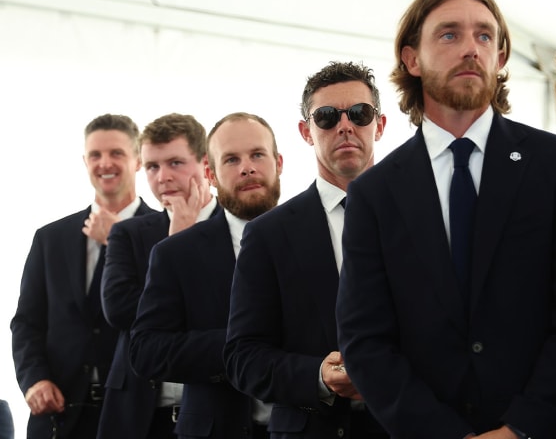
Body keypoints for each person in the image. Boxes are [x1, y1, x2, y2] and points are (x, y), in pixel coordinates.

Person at [335, 0, 556, 438]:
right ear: (412, 59)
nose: (471, 48)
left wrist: (519, 429)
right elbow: (366, 341)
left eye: (485, 36)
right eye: (450, 34)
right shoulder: (374, 193)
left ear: (501, 57)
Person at [224, 61, 388, 438]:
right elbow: (242, 357)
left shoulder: (424, 213)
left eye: (359, 114)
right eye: (327, 117)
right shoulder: (269, 233)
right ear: (306, 131)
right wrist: (318, 376)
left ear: (379, 125)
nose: (345, 126)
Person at [130, 112, 283, 439]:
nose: (247, 167)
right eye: (231, 159)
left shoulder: (321, 236)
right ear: (210, 174)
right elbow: (146, 351)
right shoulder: (175, 252)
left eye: (257, 154)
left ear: (279, 162)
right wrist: (242, 345)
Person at [11, 114, 154, 439]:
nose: (105, 163)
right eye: (95, 155)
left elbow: (162, 313)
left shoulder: (168, 234)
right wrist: (34, 379)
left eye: (117, 153)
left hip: (136, 416)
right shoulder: (50, 238)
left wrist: (117, 238)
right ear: (84, 161)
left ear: (138, 160)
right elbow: (27, 323)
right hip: (59, 417)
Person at [99, 113, 219, 439]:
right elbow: (119, 309)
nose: (163, 176)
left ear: (206, 164)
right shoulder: (129, 232)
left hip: (215, 409)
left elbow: (229, 312)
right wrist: (173, 245)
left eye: (175, 163)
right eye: (152, 166)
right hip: (138, 412)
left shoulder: (239, 226)